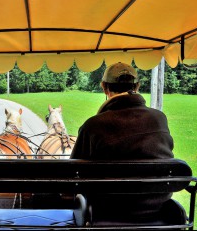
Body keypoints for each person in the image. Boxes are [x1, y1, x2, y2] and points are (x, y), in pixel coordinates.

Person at [70, 62, 174, 220]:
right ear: (137, 86)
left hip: (106, 214)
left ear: (104, 87)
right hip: (157, 212)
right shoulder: (159, 119)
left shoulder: (93, 126)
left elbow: (74, 174)